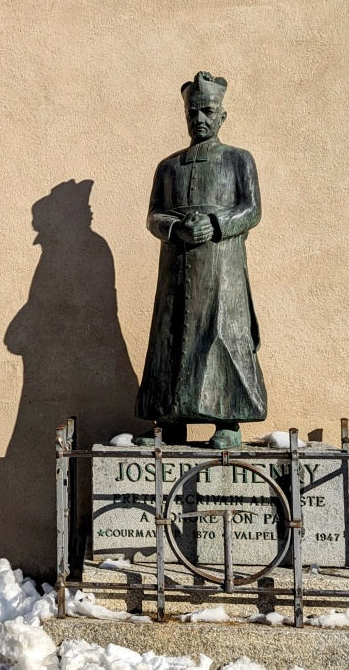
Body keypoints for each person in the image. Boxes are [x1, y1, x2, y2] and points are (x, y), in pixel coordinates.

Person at [135, 72, 267, 450]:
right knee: (170, 338)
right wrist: (177, 229)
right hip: (176, 266)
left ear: (223, 115)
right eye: (194, 112)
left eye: (208, 111)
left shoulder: (239, 160)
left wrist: (214, 223)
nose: (200, 119)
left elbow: (252, 210)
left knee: (222, 333)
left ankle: (228, 419)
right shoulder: (168, 167)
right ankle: (169, 420)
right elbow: (154, 215)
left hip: (221, 265)